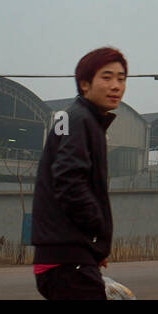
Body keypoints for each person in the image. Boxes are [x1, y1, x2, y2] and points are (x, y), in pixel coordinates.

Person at [32, 47, 126, 300]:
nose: (116, 85)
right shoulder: (79, 120)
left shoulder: (85, 120)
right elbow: (69, 181)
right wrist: (97, 231)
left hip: (67, 259)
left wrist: (93, 248)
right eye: (106, 77)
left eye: (121, 78)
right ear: (85, 84)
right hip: (66, 264)